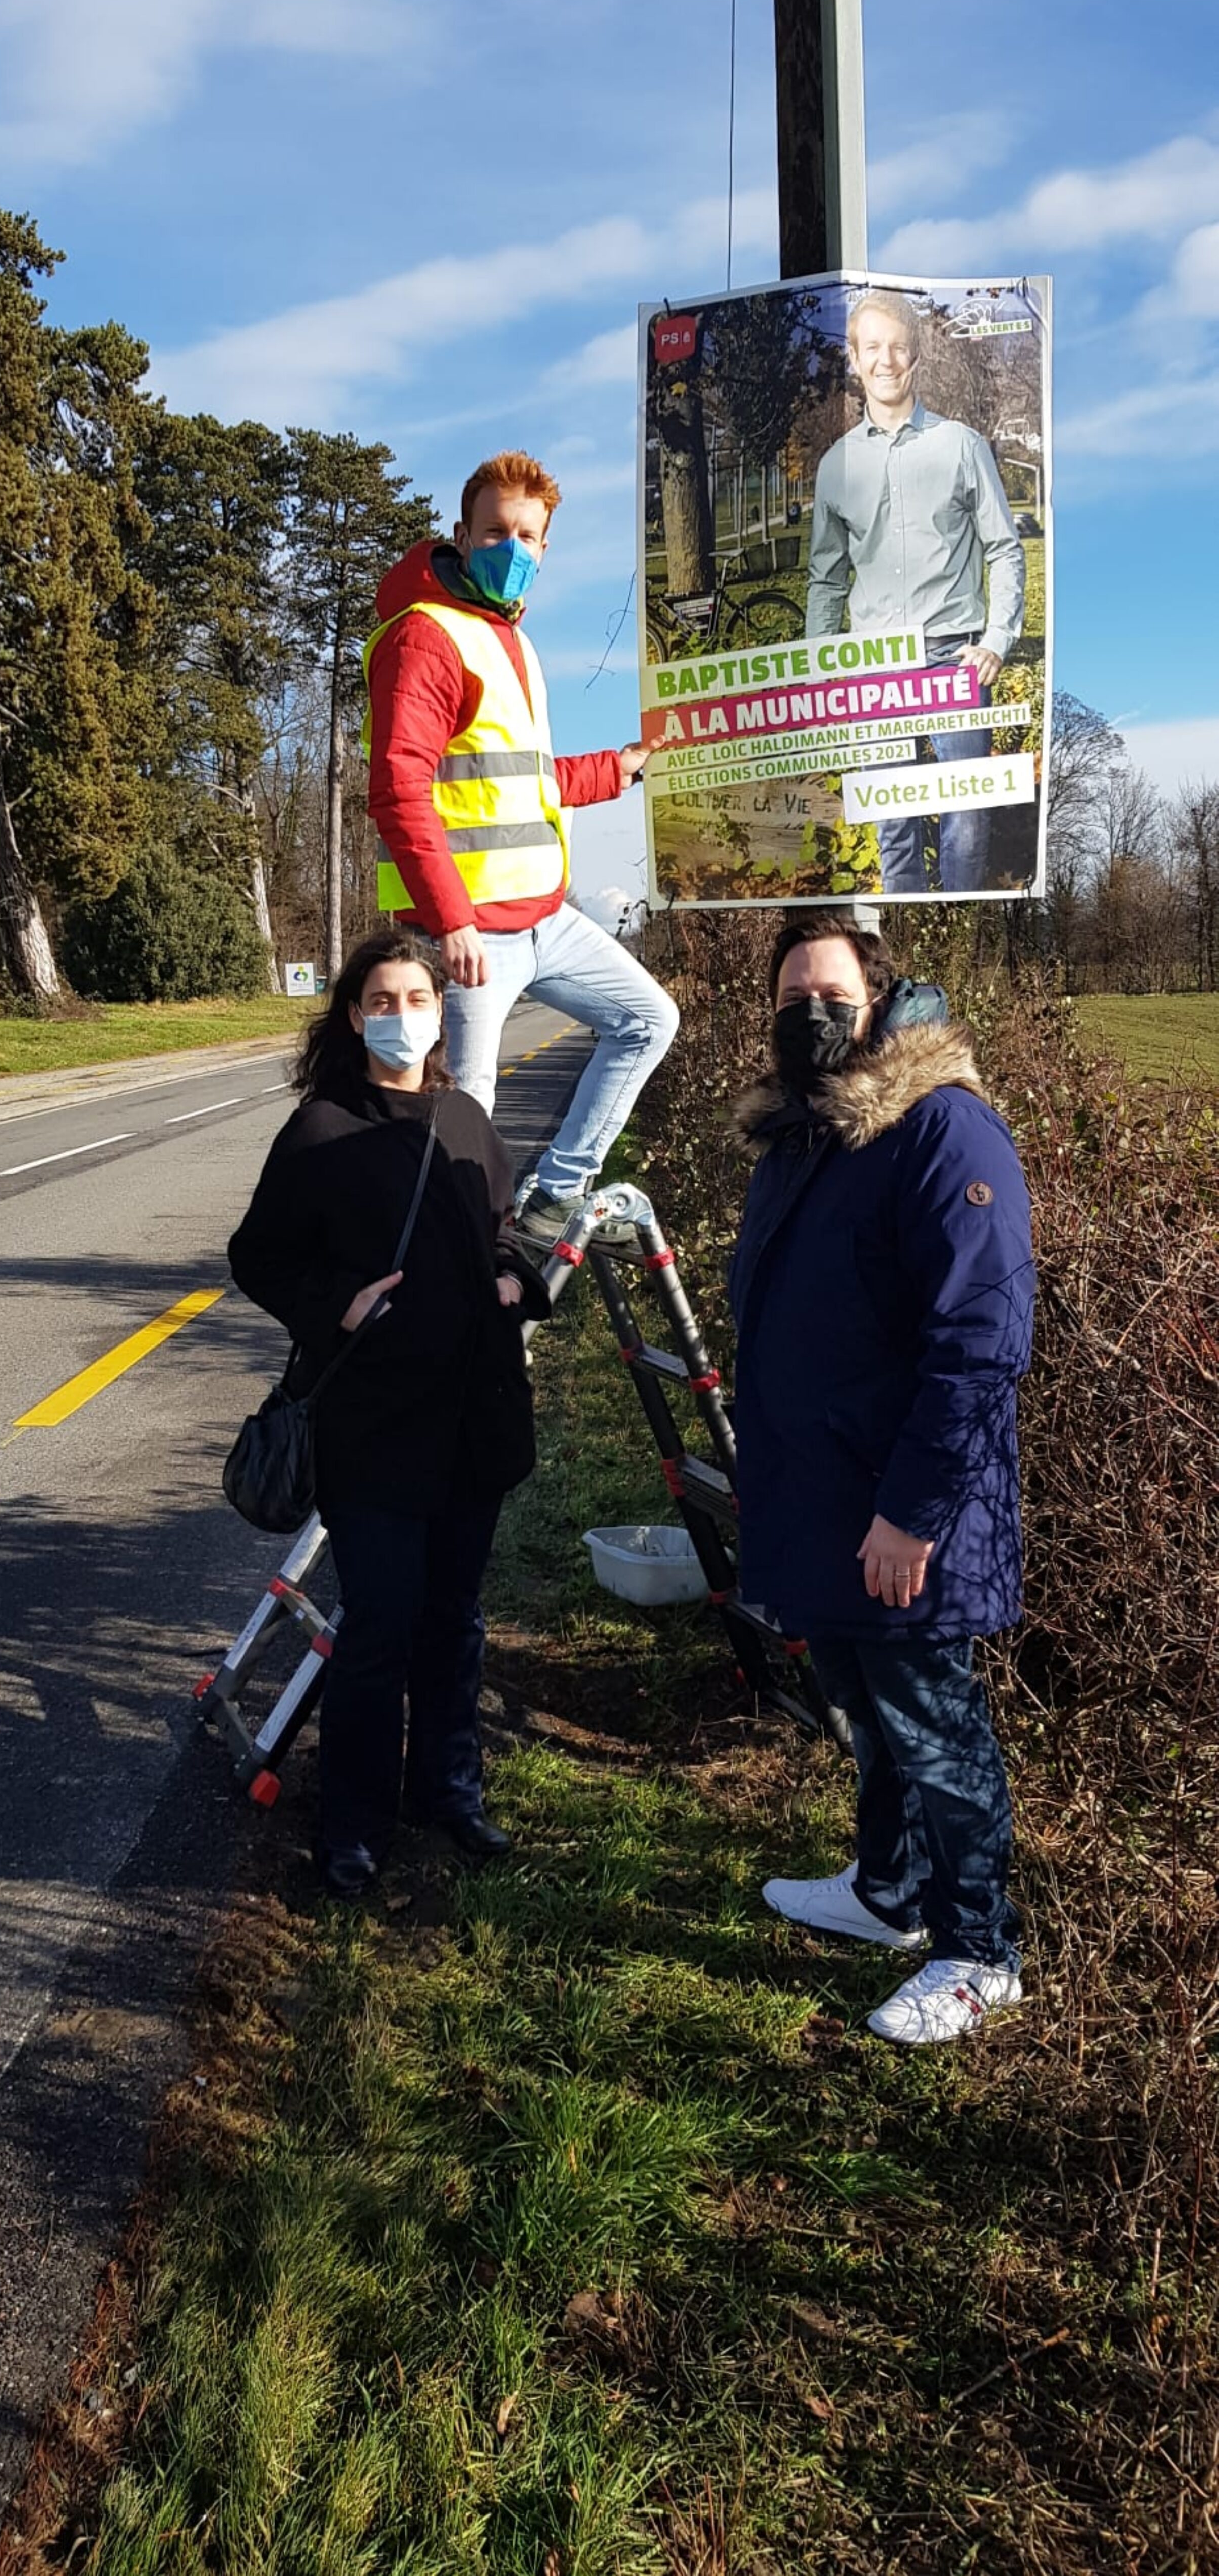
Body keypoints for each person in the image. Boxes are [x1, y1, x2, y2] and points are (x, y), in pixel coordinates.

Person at [728, 911, 1035, 2045]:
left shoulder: (940, 1129)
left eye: (829, 993)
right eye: (789, 996)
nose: (807, 1012)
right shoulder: (807, 1135)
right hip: (824, 1502)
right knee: (870, 1715)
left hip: (909, 1512)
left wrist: (910, 1512)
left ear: (880, 1002)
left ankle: (980, 1950)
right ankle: (886, 1892)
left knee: (936, 1730)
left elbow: (981, 1340)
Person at [228, 930, 549, 1901]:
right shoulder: (321, 1130)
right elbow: (258, 1255)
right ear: (353, 1014)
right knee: (380, 1624)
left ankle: (447, 1791)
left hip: (473, 1420)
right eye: (382, 999)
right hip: (373, 1429)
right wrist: (339, 1305)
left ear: (440, 1013)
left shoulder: (465, 1117)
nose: (401, 1015)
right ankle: (353, 1827)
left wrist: (511, 1275)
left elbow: (503, 1226)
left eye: (417, 998)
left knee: (454, 1618)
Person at [361, 449, 678, 1246]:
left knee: (648, 1018)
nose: (512, 548)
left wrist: (620, 769)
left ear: (546, 546)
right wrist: (452, 919)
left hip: (544, 919)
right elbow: (398, 788)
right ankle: (454, 1268)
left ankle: (557, 1194)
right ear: (462, 535)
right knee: (465, 1112)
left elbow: (527, 781)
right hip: (467, 930)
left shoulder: (510, 642)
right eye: (496, 531)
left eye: (528, 536)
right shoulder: (427, 637)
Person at [805, 289, 1026, 897]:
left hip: (955, 658)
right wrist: (819, 665)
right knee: (892, 823)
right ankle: (901, 936)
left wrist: (997, 640)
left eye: (898, 347)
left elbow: (1004, 548)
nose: (886, 360)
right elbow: (826, 578)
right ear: (855, 360)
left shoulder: (961, 446)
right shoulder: (835, 467)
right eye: (872, 347)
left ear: (916, 357)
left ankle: (957, 931)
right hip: (873, 666)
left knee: (967, 817)